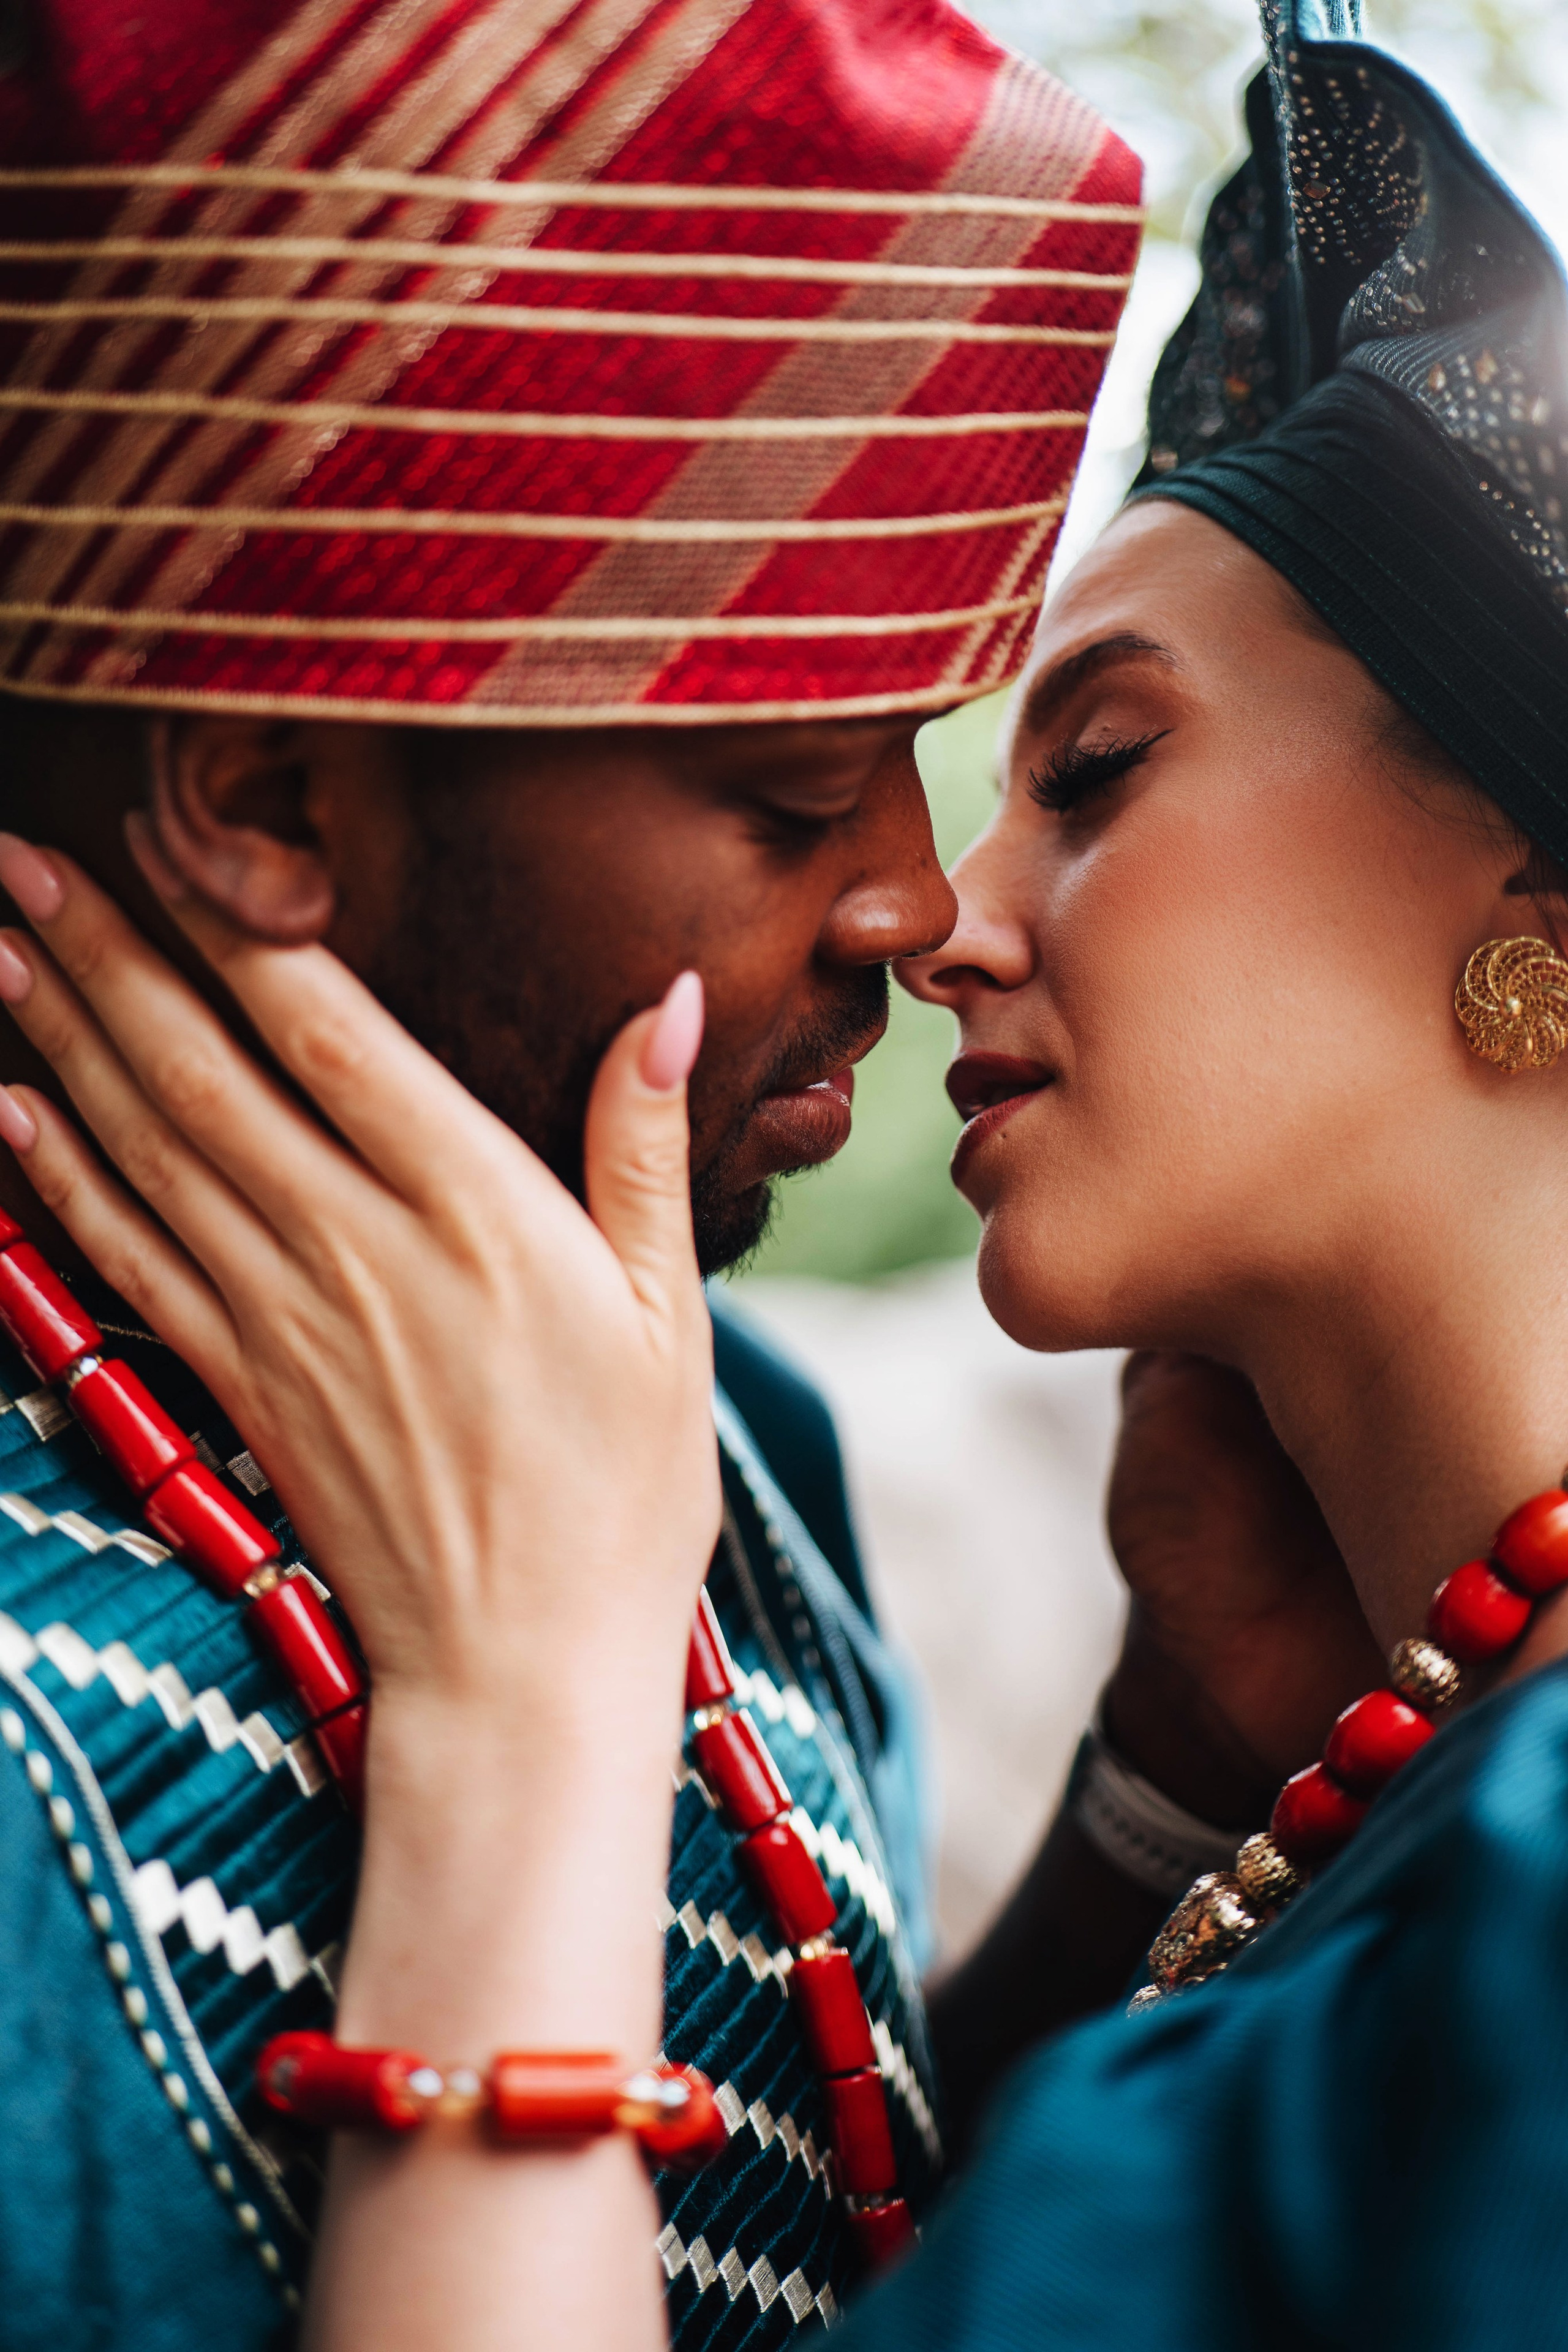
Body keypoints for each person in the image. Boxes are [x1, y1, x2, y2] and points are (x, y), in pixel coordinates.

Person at [29, 0, 1568, 2345]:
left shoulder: (711, 1484)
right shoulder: (688, 1456)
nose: (933, 911)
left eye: (1091, 765)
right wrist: (1168, 1810)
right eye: (783, 792)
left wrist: (531, 1723)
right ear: (252, 797)